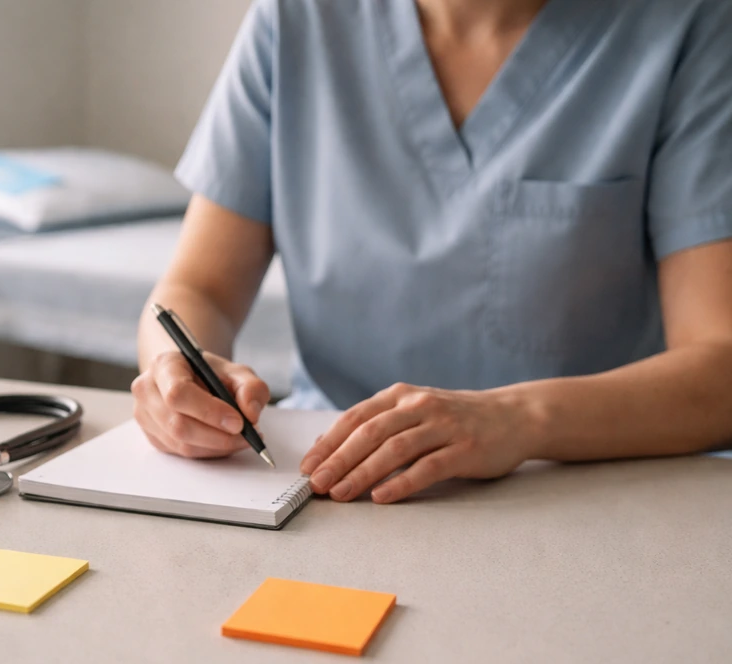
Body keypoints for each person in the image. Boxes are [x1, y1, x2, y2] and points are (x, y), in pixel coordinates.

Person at [133, 0, 732, 504]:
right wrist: (175, 372)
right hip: (326, 479)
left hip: (587, 492)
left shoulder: (688, 25)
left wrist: (520, 420)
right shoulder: (299, 18)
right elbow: (197, 290)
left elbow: (719, 364)